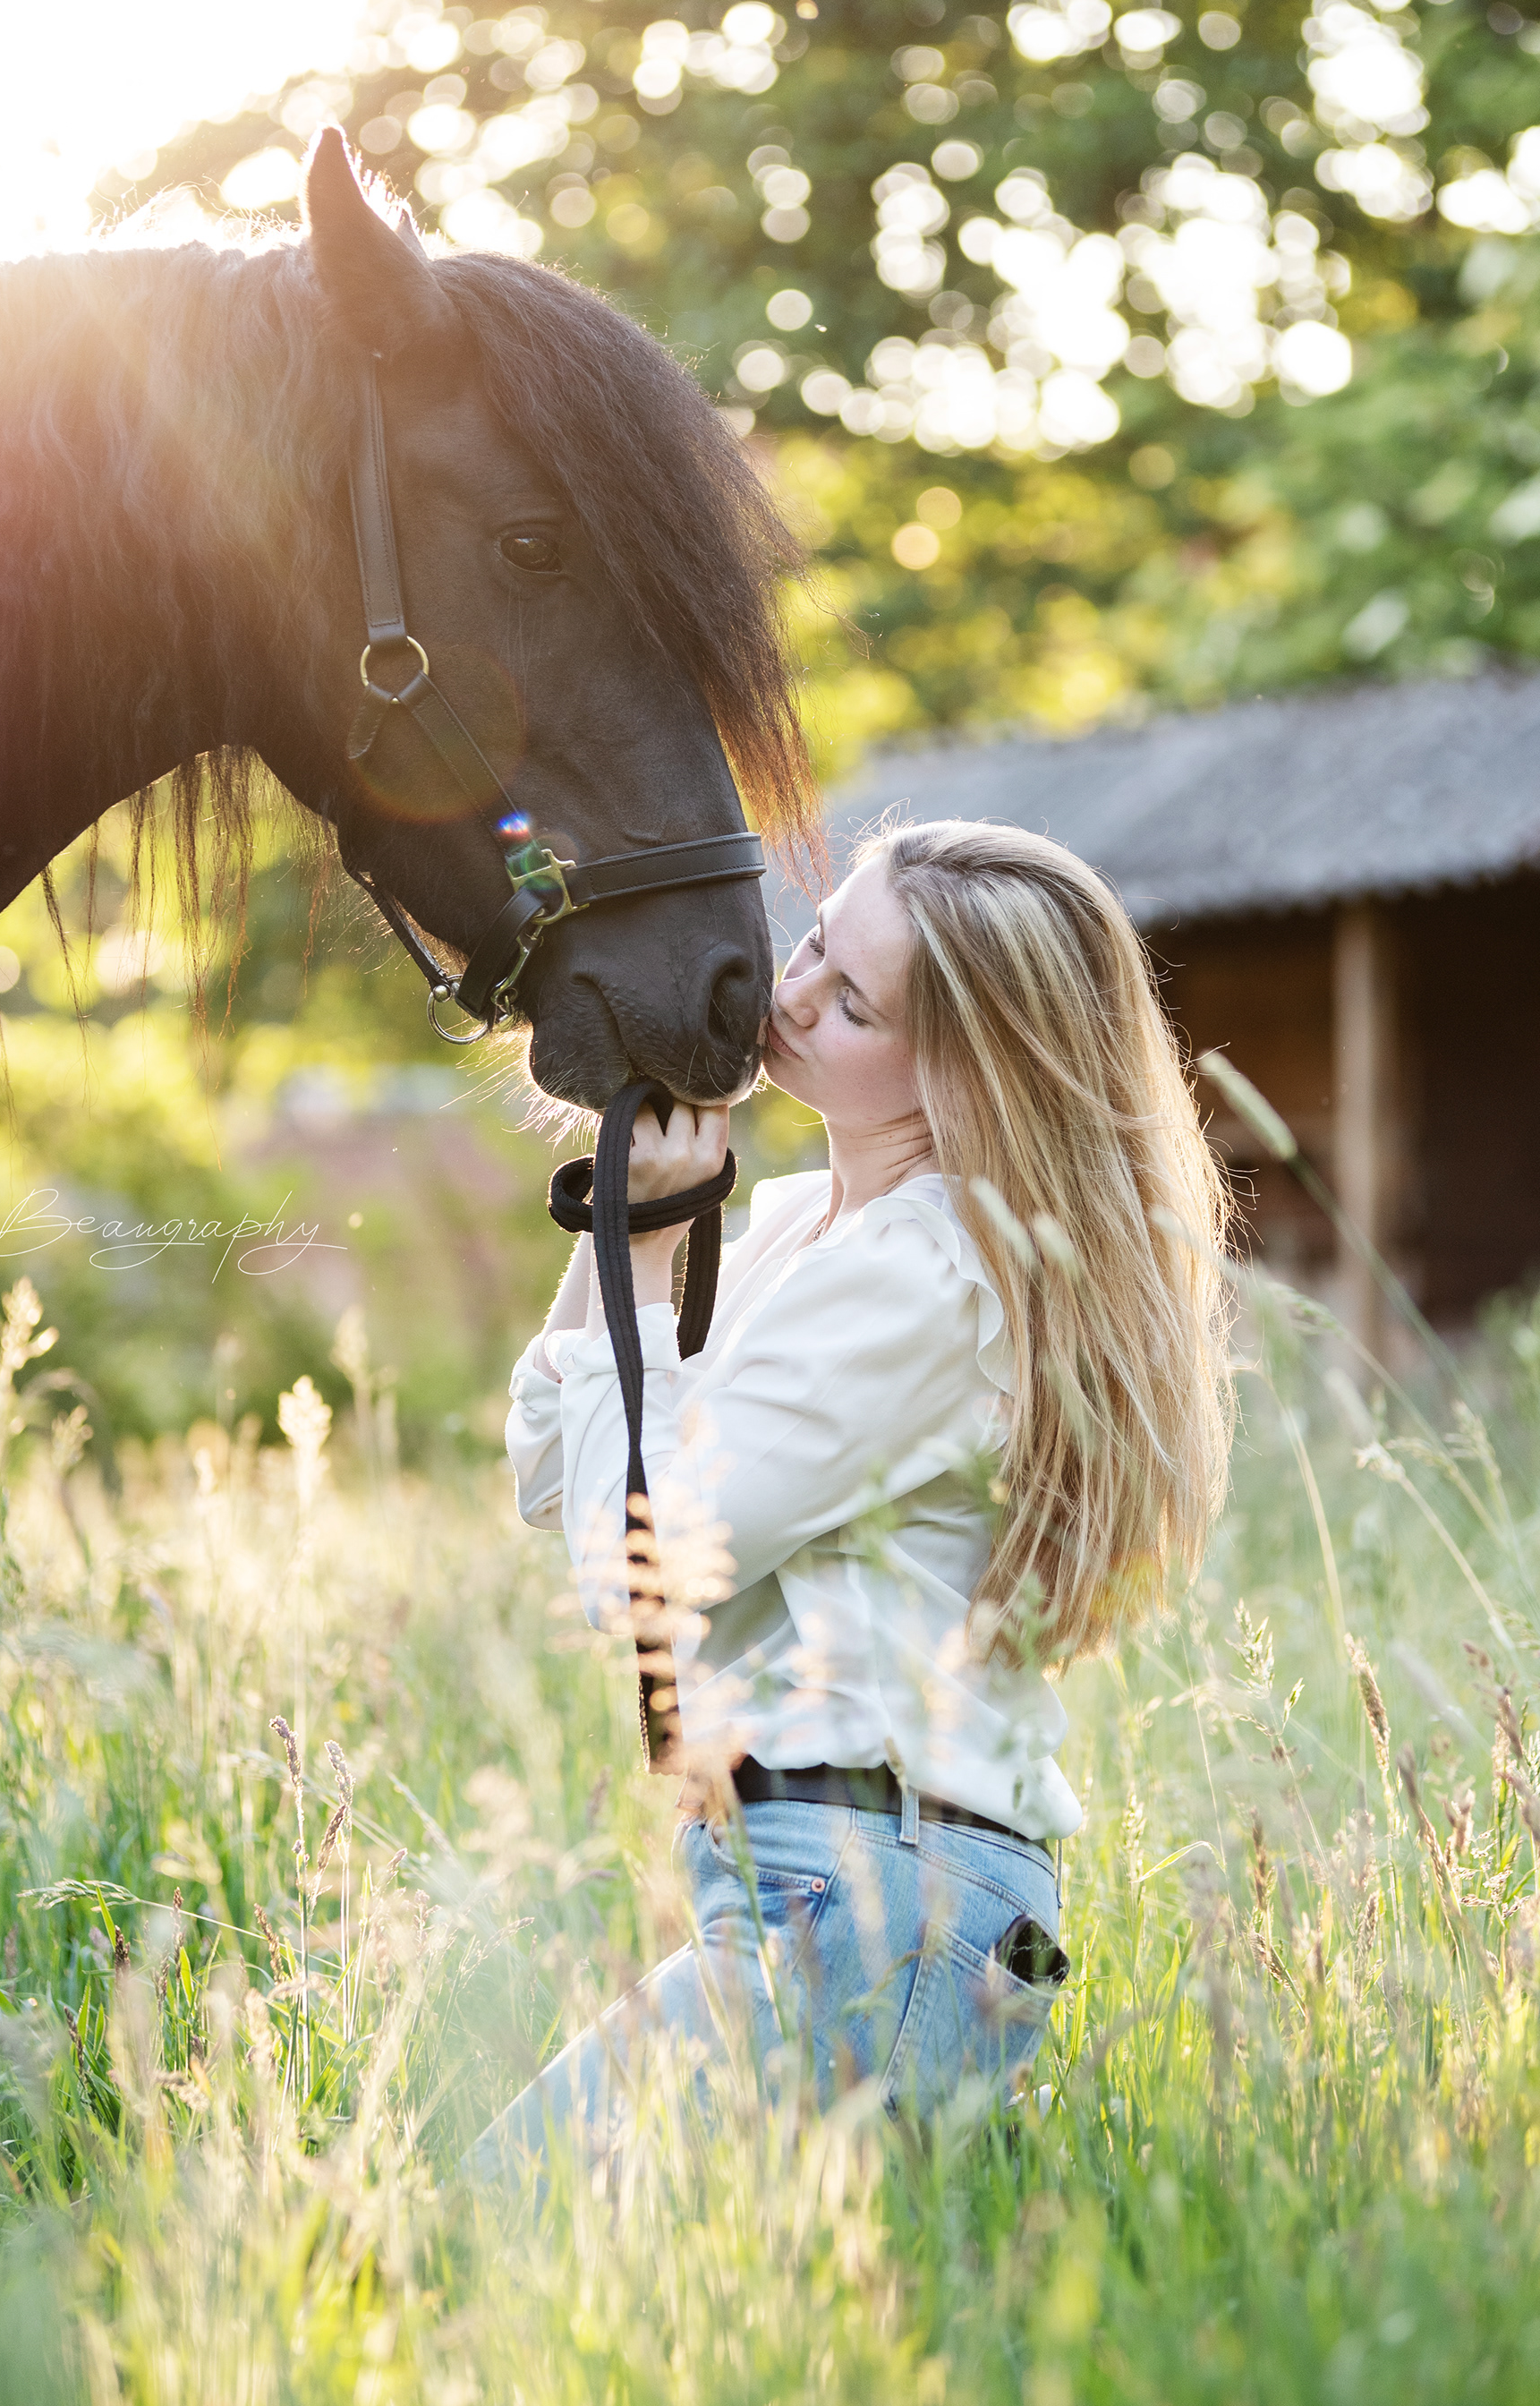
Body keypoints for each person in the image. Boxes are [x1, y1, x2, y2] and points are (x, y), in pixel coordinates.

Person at [479, 819, 1234, 2173]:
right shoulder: (792, 1234)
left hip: (877, 1887)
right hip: (818, 1872)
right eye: (817, 939)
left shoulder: (930, 1274)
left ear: (962, 1077)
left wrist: (646, 1249)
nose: (794, 994)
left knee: (478, 2234)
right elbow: (554, 1466)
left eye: (855, 1000)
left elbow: (632, 1561)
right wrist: (626, 1221)